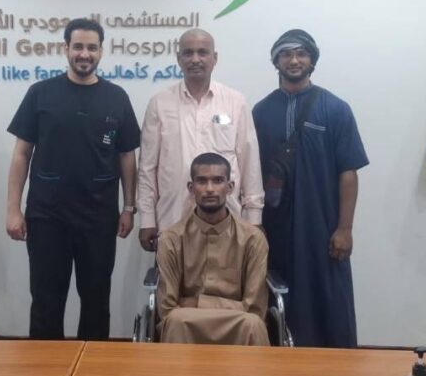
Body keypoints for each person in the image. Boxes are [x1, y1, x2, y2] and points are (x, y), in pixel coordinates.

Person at [5, 17, 140, 340]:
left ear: (101, 52)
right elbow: (21, 154)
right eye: (78, 46)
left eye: (91, 47)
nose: (84, 54)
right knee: (46, 303)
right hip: (47, 217)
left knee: (96, 303)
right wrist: (13, 210)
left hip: (98, 218)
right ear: (65, 49)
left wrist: (129, 207)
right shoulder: (40, 94)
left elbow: (126, 156)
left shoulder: (117, 97)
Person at [252, 29, 369, 348]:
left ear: (312, 60)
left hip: (322, 229)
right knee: (275, 300)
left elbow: (348, 172)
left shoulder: (335, 109)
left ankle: (335, 374)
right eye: (286, 53)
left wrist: (345, 228)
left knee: (327, 301)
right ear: (275, 60)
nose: (294, 60)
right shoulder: (260, 112)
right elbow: (251, 172)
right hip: (274, 230)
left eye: (301, 53)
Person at [136, 29, 263, 252]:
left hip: (228, 221)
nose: (195, 59)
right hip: (173, 221)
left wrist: (254, 217)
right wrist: (147, 220)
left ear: (215, 58)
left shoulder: (235, 102)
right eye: (188, 53)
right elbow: (147, 167)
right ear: (179, 59)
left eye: (203, 52)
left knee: (226, 285)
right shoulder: (159, 103)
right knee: (174, 286)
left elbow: (249, 162)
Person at [156, 152, 269, 345]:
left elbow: (254, 307)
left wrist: (195, 302)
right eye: (201, 181)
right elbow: (167, 308)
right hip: (187, 322)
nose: (210, 189)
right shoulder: (171, 239)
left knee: (253, 324)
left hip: (236, 324)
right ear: (191, 188)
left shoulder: (252, 239)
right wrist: (230, 306)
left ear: (230, 187)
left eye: (217, 181)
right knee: (174, 320)